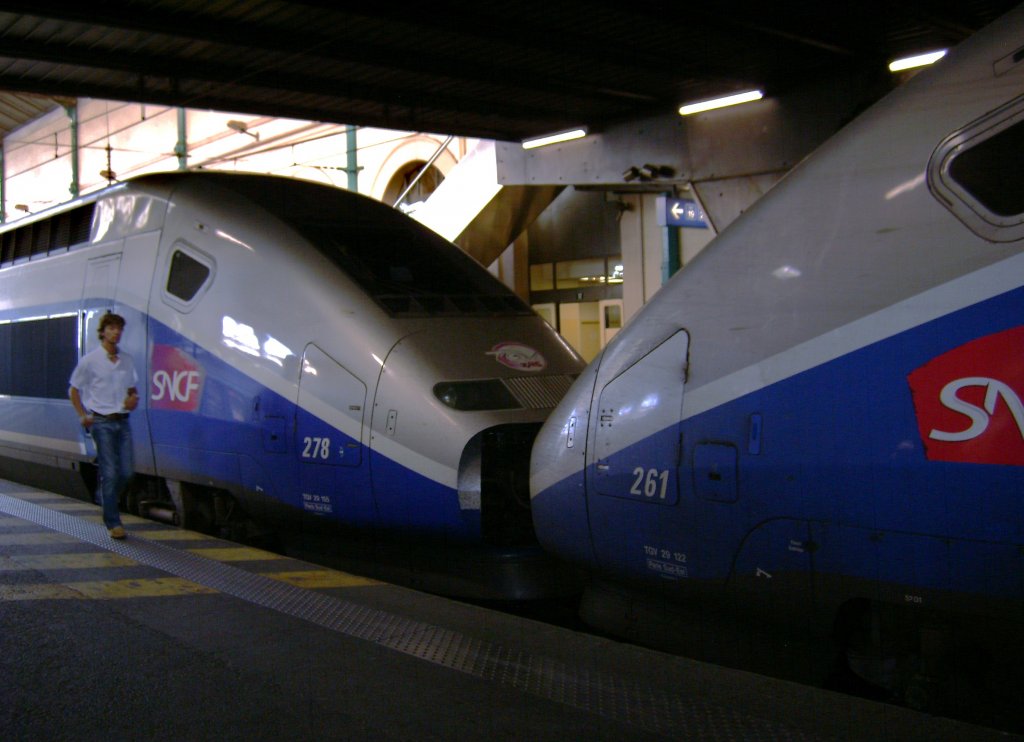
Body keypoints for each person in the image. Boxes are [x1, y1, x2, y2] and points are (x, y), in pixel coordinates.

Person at [69, 312, 140, 539]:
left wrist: (133, 398)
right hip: (101, 423)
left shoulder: (127, 361)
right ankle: (113, 522)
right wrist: (82, 415)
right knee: (110, 472)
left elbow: (132, 389)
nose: (116, 332)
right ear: (102, 332)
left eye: (119, 329)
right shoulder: (90, 361)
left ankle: (105, 495)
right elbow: (73, 389)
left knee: (127, 472)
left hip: (123, 421)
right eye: (111, 328)